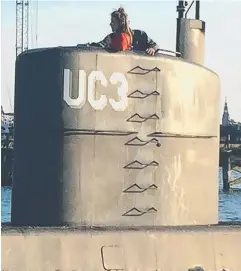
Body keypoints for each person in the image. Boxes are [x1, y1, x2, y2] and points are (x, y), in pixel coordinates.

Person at [93, 7, 159, 56]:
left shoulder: (140, 35)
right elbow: (99, 45)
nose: (110, 24)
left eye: (113, 22)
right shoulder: (111, 37)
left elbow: (155, 45)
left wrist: (152, 49)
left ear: (121, 23)